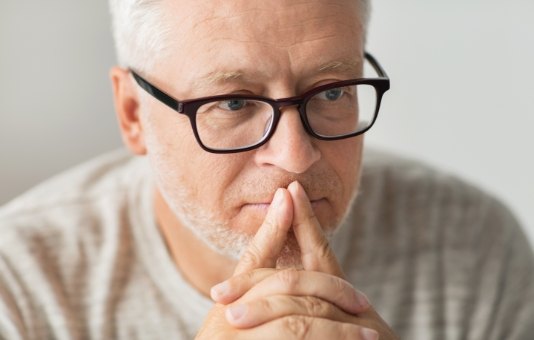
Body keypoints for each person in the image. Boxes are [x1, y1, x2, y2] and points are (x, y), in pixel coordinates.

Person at [1, 0, 533, 338]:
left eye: (332, 91)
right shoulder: (20, 282)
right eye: (233, 103)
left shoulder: (473, 247)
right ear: (133, 114)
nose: (296, 156)